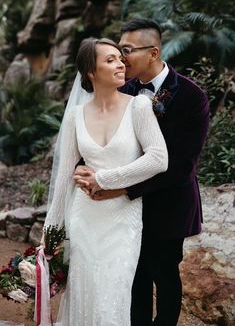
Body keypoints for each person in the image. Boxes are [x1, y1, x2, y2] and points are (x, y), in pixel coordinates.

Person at [74, 19, 210, 326]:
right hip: (124, 208)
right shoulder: (123, 89)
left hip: (169, 204)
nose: (121, 58)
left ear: (153, 52)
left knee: (164, 274)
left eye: (127, 50)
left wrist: (122, 188)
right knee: (132, 277)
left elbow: (181, 164)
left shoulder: (192, 96)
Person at [43, 37, 168, 326]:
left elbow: (159, 159)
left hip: (122, 219)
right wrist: (49, 232)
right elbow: (64, 177)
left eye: (119, 58)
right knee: (83, 293)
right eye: (110, 60)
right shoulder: (75, 115)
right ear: (91, 72)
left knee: (114, 294)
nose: (120, 63)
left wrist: (104, 178)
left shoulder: (139, 106)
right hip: (84, 219)